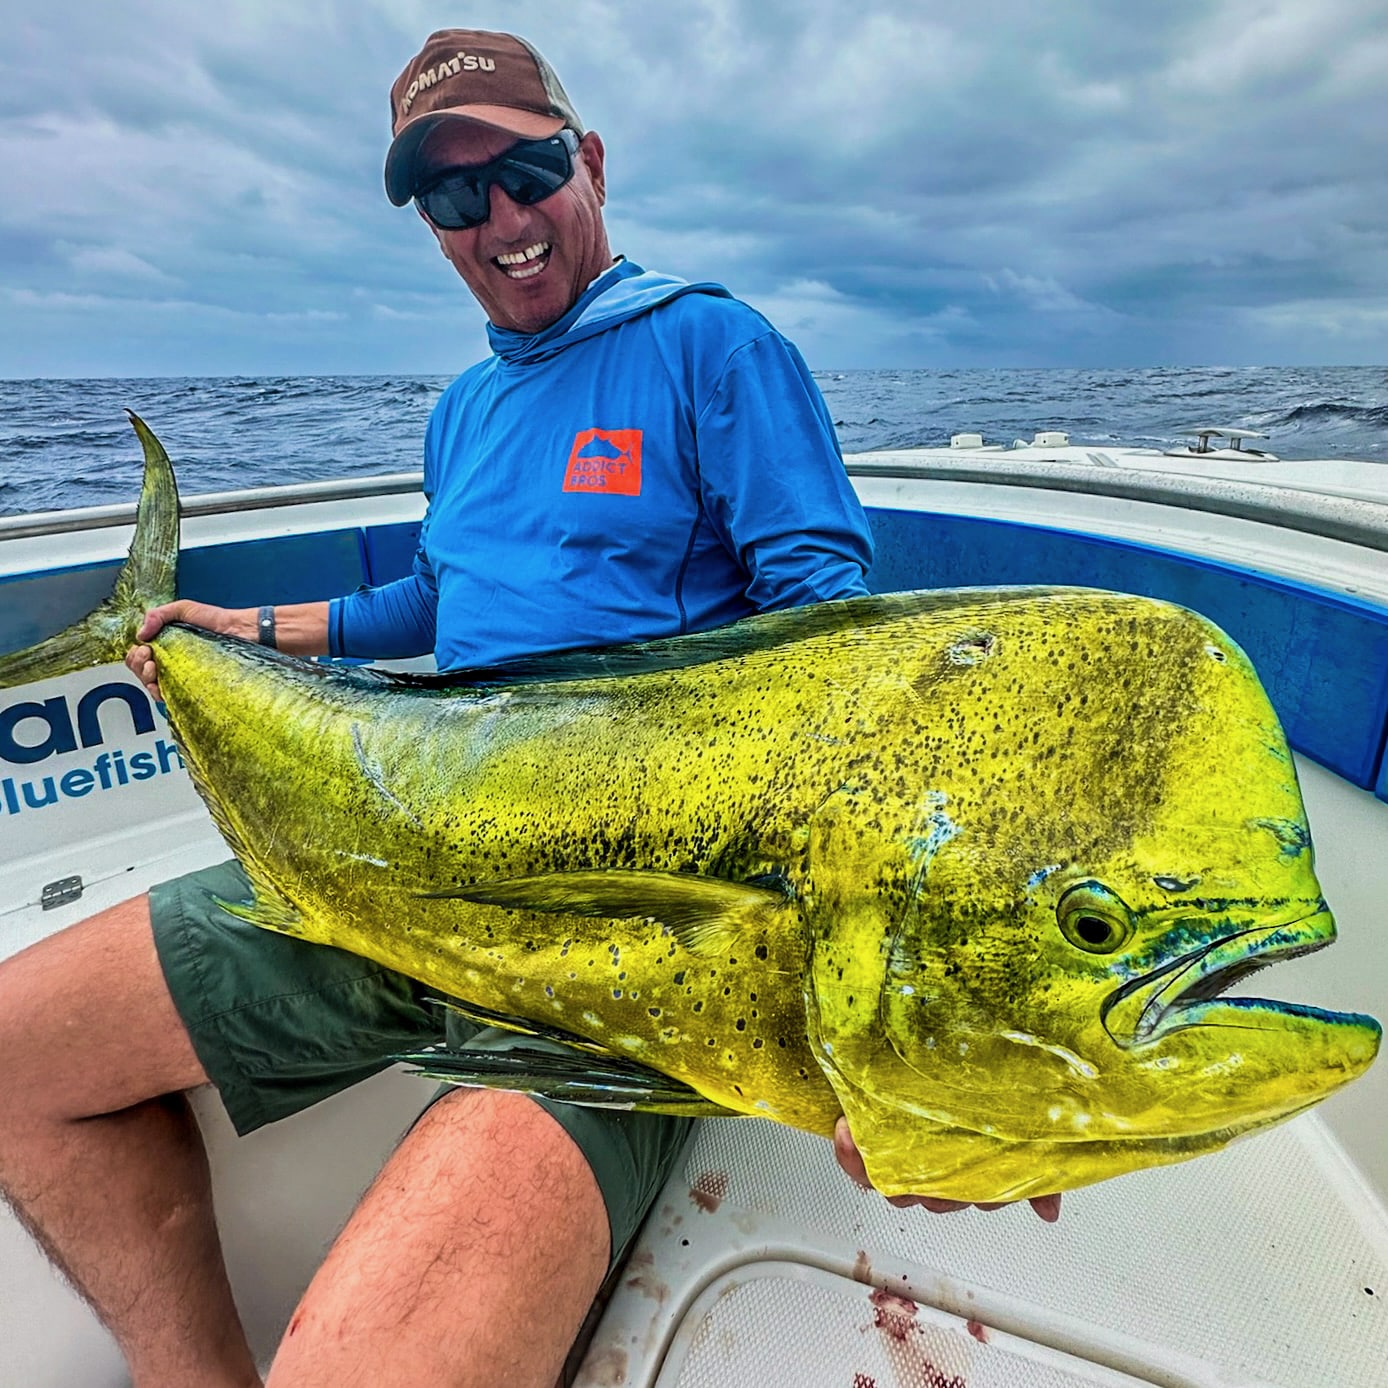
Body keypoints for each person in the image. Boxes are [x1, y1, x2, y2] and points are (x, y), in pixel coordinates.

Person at [0, 28, 1056, 1388]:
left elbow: (830, 644)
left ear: (590, 162)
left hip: (626, 950)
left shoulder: (713, 347)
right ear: (432, 228)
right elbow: (440, 603)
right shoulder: (461, 414)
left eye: (526, 169)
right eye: (452, 196)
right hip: (403, 864)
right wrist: (240, 632)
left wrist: (887, 1008)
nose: (498, 216)